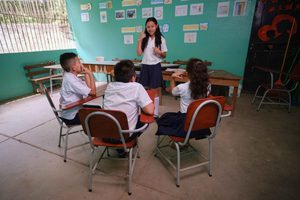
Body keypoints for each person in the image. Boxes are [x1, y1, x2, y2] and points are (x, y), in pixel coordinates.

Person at [156, 58, 211, 138]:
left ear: (188, 73)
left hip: (186, 123)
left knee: (163, 119)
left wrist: (172, 78)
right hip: (200, 121)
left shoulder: (182, 87)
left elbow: (173, 92)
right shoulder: (208, 85)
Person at [103, 59, 154, 136]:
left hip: (104, 134)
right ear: (133, 77)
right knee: (153, 120)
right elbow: (150, 111)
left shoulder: (109, 86)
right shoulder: (137, 87)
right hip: (125, 135)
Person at [59, 52, 96, 125]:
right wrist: (91, 74)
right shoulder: (71, 80)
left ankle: (98, 134)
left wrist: (87, 73)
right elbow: (93, 93)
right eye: (79, 62)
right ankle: (97, 136)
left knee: (99, 109)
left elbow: (89, 90)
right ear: (73, 67)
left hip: (75, 109)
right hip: (71, 115)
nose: (81, 64)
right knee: (103, 115)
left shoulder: (71, 76)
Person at [137, 17, 168, 103]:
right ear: (145, 28)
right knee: (144, 90)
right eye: (148, 27)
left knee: (155, 91)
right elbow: (139, 53)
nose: (150, 29)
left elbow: (164, 55)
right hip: (145, 66)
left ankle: (155, 112)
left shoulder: (161, 39)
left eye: (152, 26)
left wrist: (159, 52)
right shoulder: (144, 38)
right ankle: (147, 110)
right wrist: (140, 40)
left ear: (156, 26)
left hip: (155, 66)